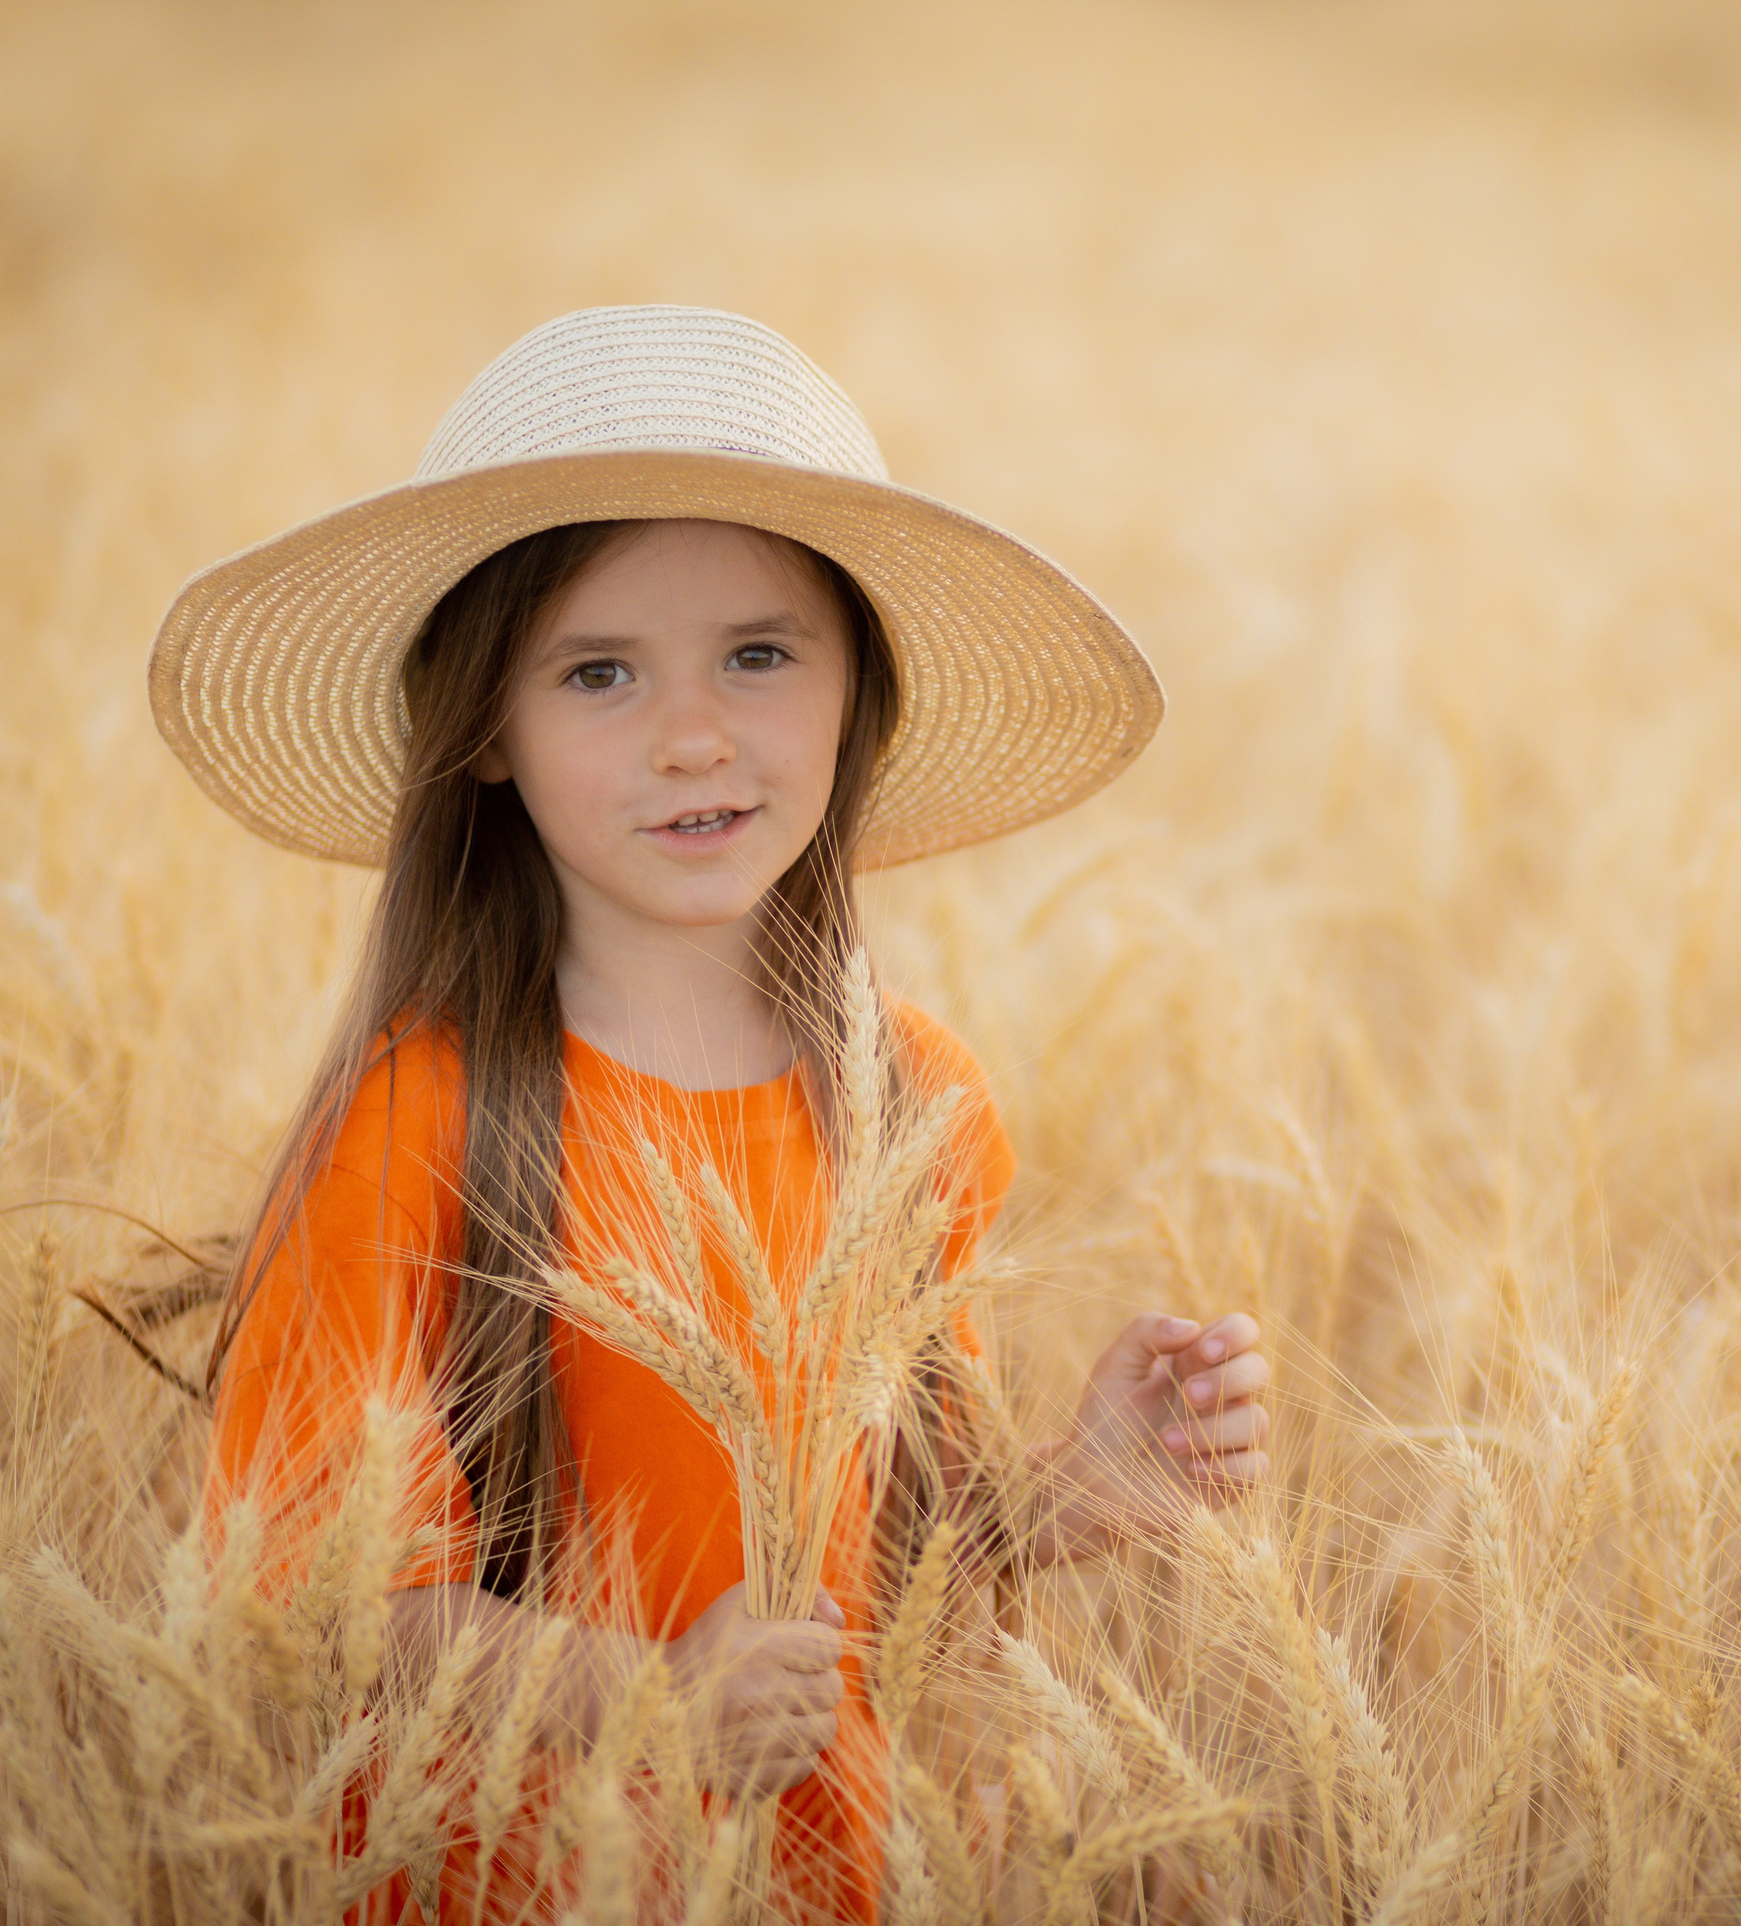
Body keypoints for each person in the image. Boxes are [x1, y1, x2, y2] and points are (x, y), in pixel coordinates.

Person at [156, 307, 1270, 1922]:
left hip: (823, 1880)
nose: (697, 734)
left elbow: (869, 1565)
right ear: (485, 731)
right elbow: (324, 1608)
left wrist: (1065, 1496)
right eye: (599, 670)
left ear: (855, 695)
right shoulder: (419, 1120)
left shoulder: (915, 1104)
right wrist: (651, 1694)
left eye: (759, 652)